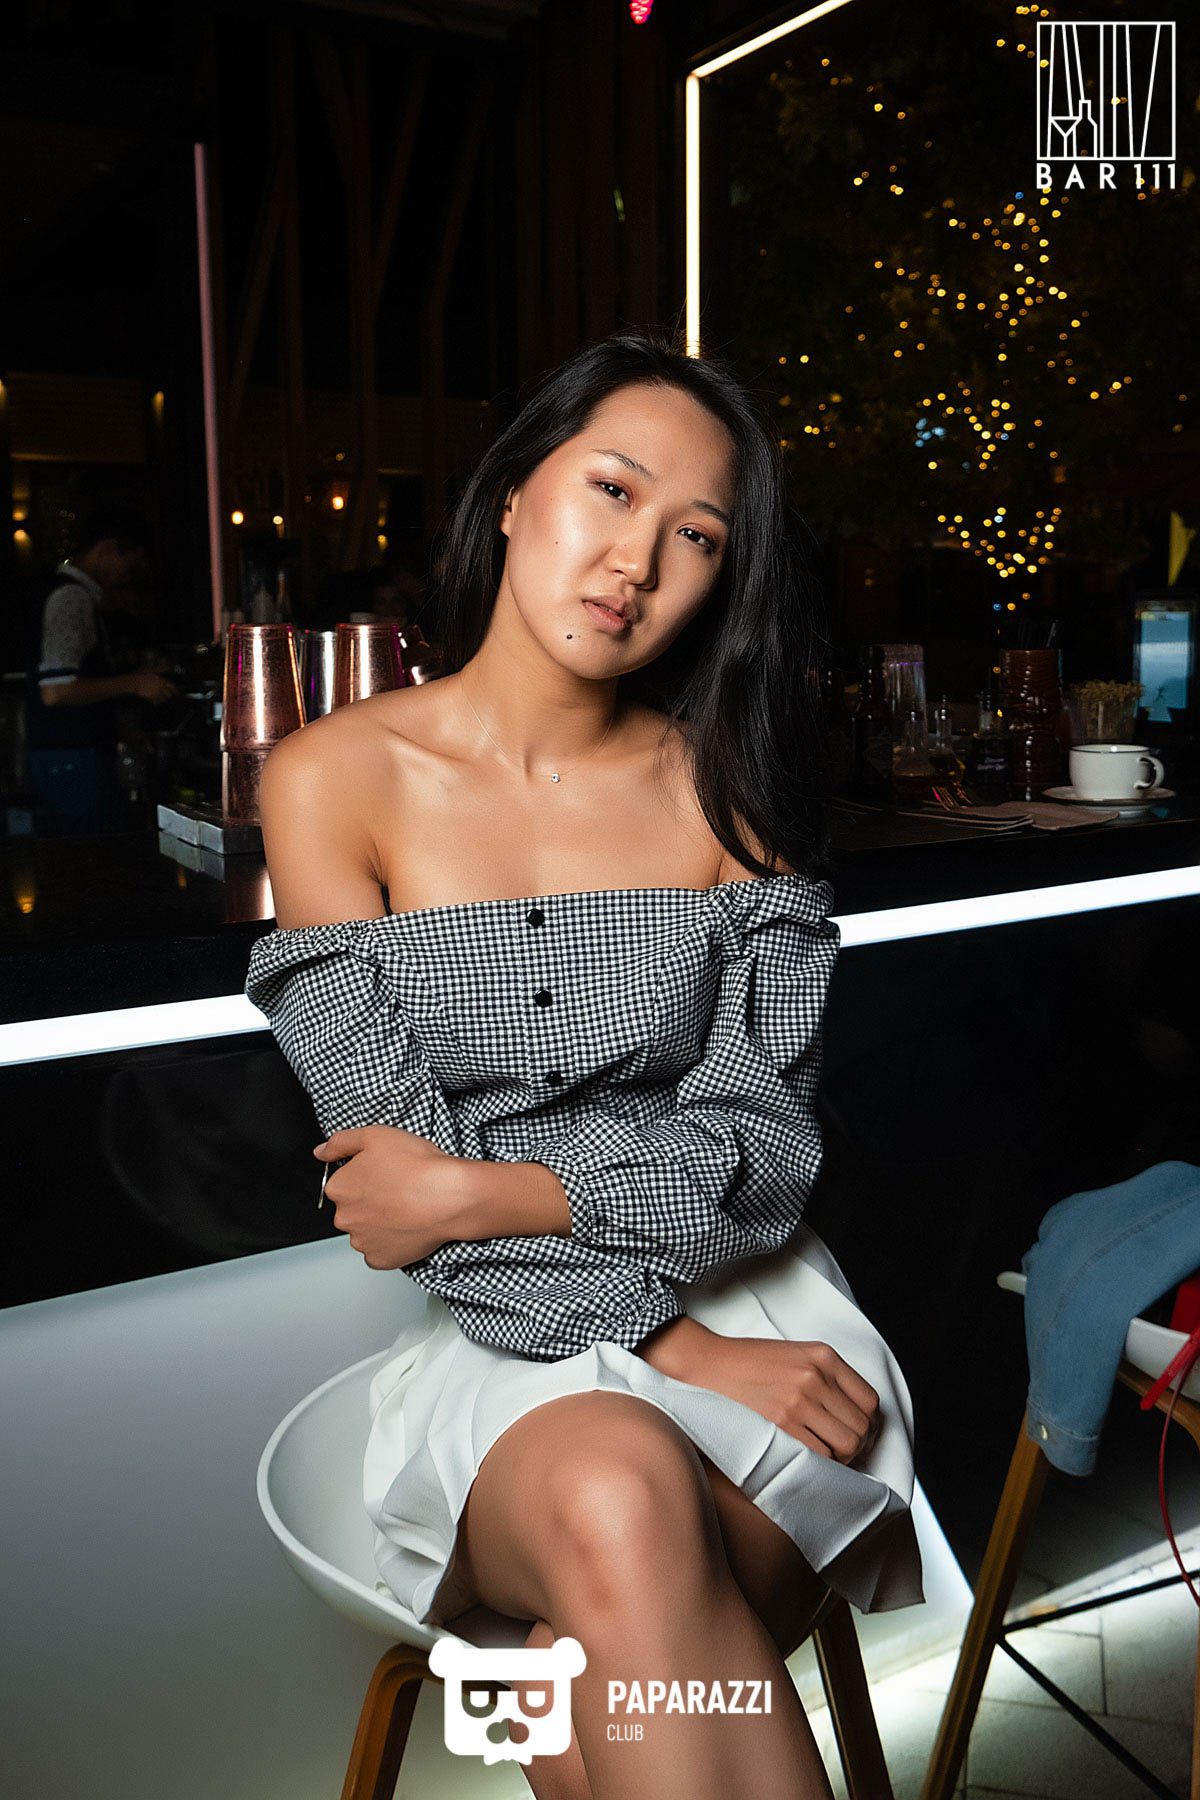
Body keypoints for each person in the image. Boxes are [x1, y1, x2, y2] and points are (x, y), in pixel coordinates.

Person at [244, 331, 923, 1800]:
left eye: (697, 536)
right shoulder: (332, 780)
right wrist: (671, 1347)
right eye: (612, 491)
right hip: (511, 1352)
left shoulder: (731, 801)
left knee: (603, 1641)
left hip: (775, 1332)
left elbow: (758, 1158)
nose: (637, 561)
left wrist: (494, 1191)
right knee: (622, 1500)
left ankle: (568, 1671)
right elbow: (393, 1191)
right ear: (512, 491)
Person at [24, 505, 178, 834]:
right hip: (69, 754)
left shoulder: (73, 593)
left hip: (66, 753)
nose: (130, 576)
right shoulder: (71, 597)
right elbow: (55, 691)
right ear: (106, 549)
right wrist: (135, 683)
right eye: (131, 564)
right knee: (89, 851)